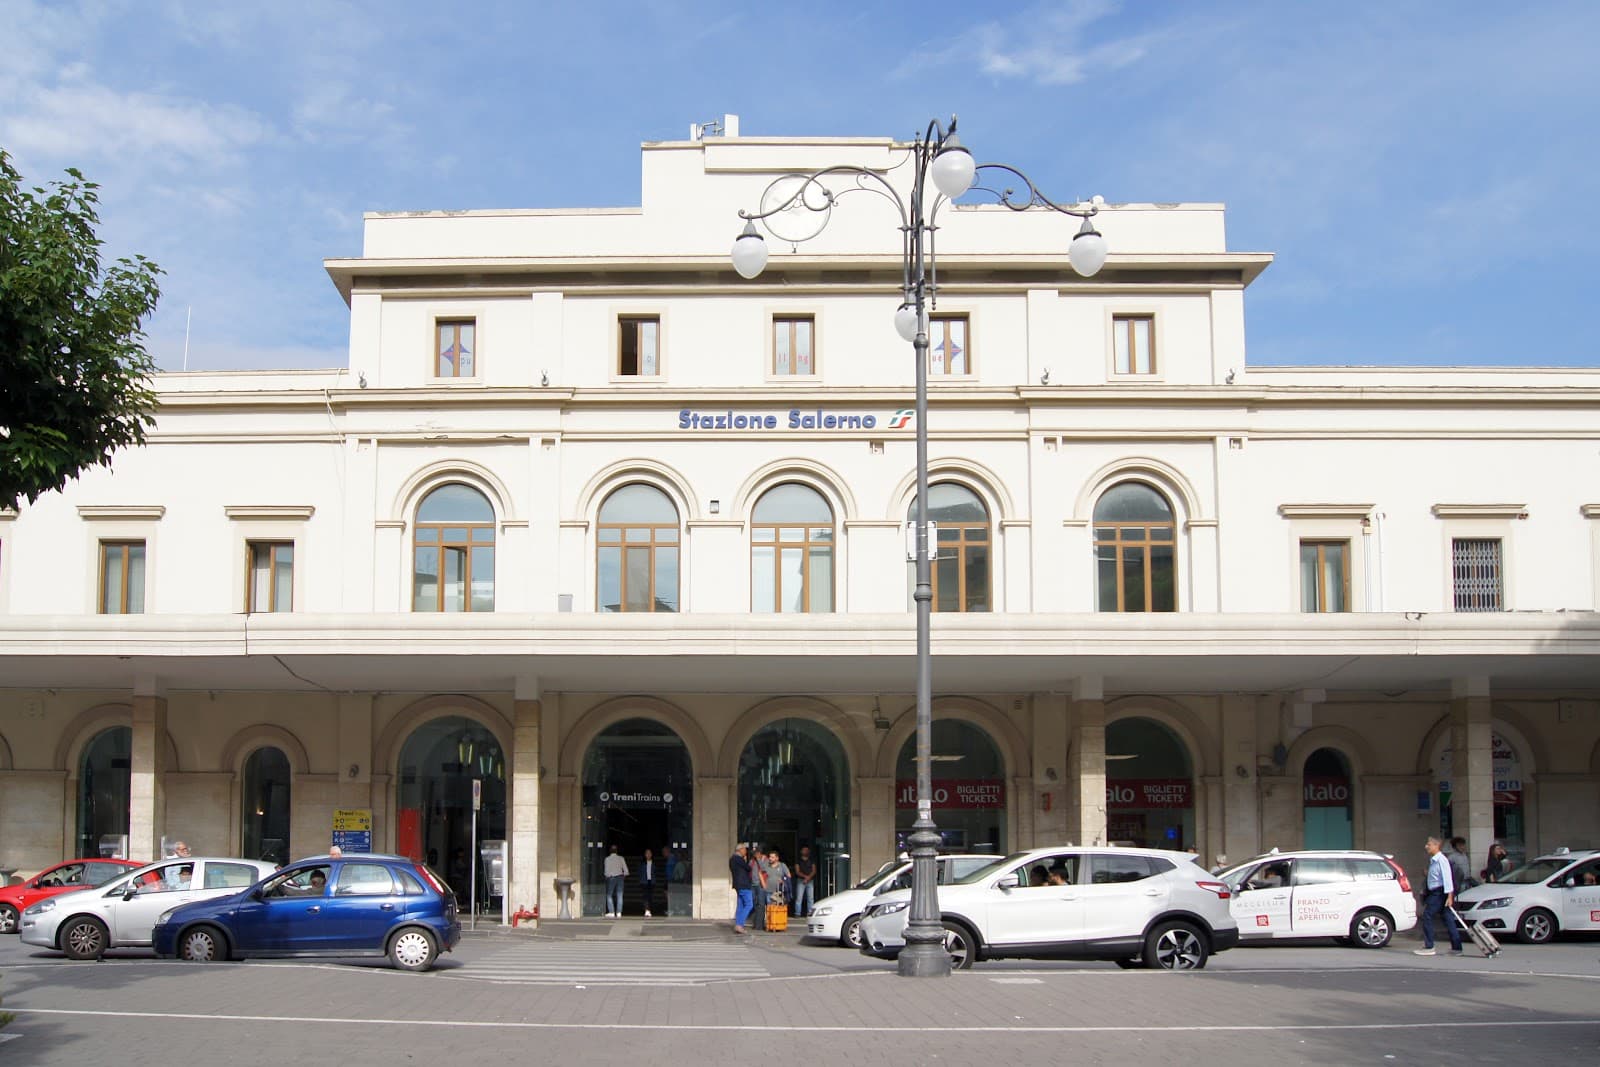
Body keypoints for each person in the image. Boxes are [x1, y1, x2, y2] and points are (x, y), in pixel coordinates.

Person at [1414, 835, 1463, 956]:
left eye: (1429, 844)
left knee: (1427, 915)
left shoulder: (1442, 860)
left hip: (1439, 893)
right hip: (1436, 892)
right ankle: (1457, 948)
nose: (1426, 847)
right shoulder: (1434, 860)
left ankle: (1429, 946)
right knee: (1448, 918)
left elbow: (1447, 878)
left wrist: (1450, 896)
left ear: (1436, 845)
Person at [729, 844, 753, 934]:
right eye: (745, 849)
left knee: (741, 904)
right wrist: (745, 861)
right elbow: (748, 868)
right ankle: (739, 924)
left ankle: (739, 924)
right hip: (743, 884)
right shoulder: (738, 859)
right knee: (749, 904)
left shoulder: (732, 859)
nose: (746, 851)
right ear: (740, 850)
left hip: (738, 884)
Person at [603, 844, 628, 918]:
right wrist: (623, 876)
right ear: (617, 851)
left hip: (611, 878)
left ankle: (611, 912)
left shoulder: (607, 859)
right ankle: (619, 912)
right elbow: (626, 871)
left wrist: (607, 877)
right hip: (620, 877)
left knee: (609, 895)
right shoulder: (621, 858)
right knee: (619, 895)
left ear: (610, 851)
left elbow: (606, 872)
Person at [791, 846, 817, 918]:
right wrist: (806, 877)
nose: (805, 851)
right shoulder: (798, 861)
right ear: (801, 851)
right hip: (800, 880)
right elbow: (797, 871)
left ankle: (809, 913)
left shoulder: (812, 860)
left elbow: (814, 870)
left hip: (810, 880)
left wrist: (808, 878)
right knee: (799, 897)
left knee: (810, 898)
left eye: (807, 850)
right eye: (804, 850)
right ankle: (797, 913)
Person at [750, 844, 770, 930]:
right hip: (752, 884)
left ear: (759, 853)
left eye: (756, 853)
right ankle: (755, 923)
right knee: (754, 903)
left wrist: (759, 859)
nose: (754, 855)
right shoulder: (752, 860)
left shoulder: (765, 860)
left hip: (761, 884)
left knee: (761, 904)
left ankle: (760, 925)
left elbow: (764, 869)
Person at [639, 847, 658, 917]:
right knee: (645, 896)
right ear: (645, 855)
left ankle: (649, 909)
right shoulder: (642, 863)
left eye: (649, 853)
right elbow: (640, 872)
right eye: (647, 853)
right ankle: (647, 909)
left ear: (651, 854)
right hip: (644, 882)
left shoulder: (654, 863)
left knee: (650, 896)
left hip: (652, 881)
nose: (648, 854)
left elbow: (655, 871)